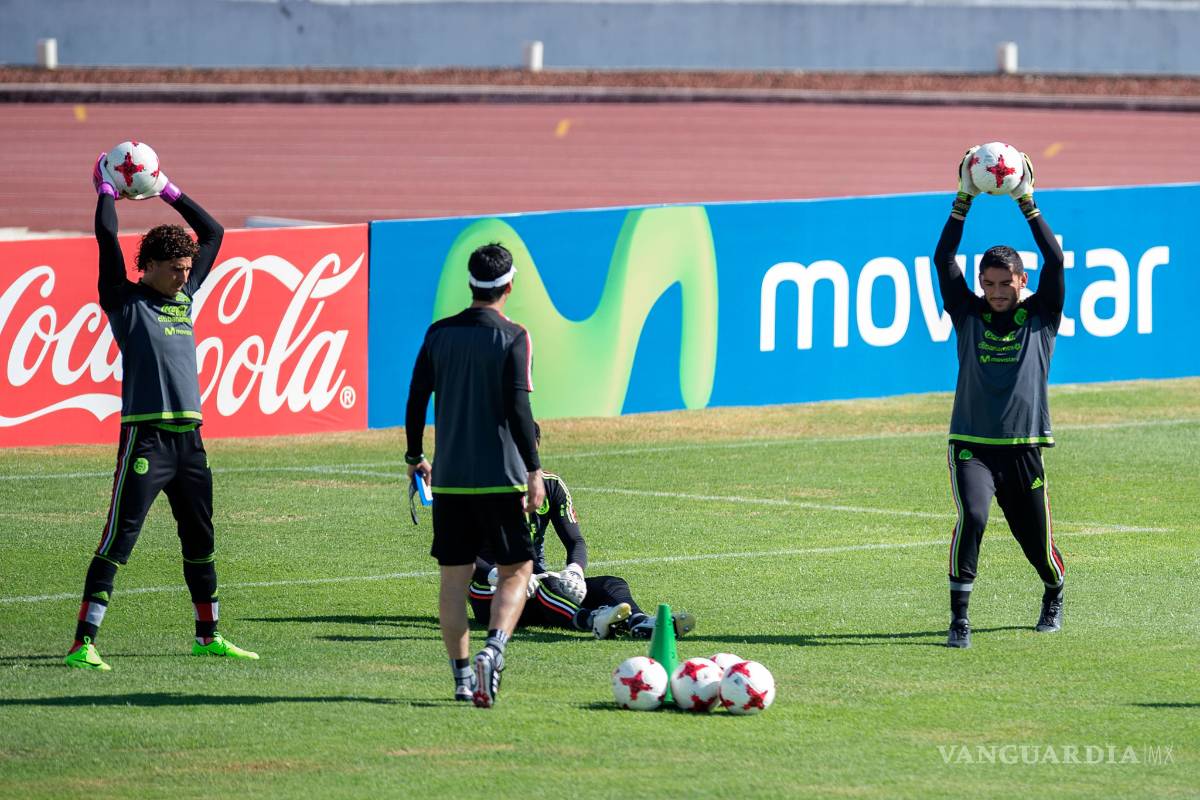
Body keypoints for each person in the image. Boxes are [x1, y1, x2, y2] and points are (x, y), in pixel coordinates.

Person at [65, 150, 257, 670]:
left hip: (189, 443)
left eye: (187, 270)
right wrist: (106, 188)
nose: (183, 276)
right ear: (146, 268)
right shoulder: (123, 301)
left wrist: (166, 188)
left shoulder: (184, 298)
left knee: (201, 538)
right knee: (119, 538)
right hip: (145, 439)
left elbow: (213, 232)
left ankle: (208, 634)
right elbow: (107, 238)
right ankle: (84, 643)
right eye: (175, 270)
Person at [934, 146, 1067, 649]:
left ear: (1021, 281)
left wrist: (1027, 200)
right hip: (972, 442)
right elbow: (943, 258)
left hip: (1024, 446)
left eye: (1002, 283)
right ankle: (959, 620)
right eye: (987, 282)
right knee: (974, 516)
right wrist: (963, 198)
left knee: (1037, 548)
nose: (993, 291)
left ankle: (1054, 592)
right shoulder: (966, 314)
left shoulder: (1041, 316)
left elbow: (1055, 258)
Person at [405, 243, 545, 708]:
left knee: (453, 581)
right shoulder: (514, 335)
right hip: (500, 479)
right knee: (517, 570)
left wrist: (414, 455)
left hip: (449, 481)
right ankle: (495, 649)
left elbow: (415, 399)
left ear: (470, 283)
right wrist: (534, 469)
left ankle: (462, 679)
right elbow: (519, 409)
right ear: (510, 284)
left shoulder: (438, 334)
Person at [467, 423, 696, 642]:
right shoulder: (478, 488)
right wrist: (499, 574)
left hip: (537, 583)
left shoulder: (552, 485)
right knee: (549, 587)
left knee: (611, 584)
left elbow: (575, 540)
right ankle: (592, 620)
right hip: (488, 591)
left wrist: (574, 571)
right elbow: (460, 554)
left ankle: (639, 622)